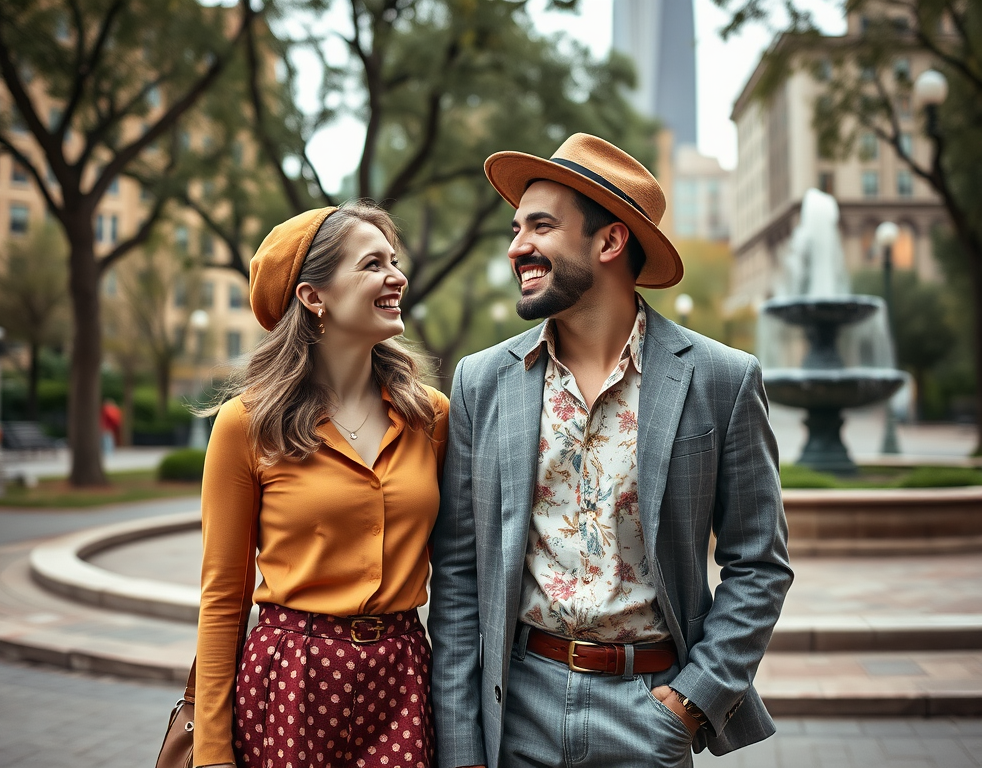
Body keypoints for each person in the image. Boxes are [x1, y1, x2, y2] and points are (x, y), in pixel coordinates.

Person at [428, 134, 793, 768]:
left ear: (609, 241)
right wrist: (462, 746)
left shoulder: (720, 380)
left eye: (541, 226)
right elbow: (459, 578)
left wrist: (688, 703)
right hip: (517, 705)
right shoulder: (481, 382)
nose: (518, 247)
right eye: (516, 228)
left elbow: (759, 564)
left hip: (648, 708)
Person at [192, 201, 448, 768]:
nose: (396, 276)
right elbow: (222, 598)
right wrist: (211, 750)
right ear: (314, 297)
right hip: (290, 682)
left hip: (402, 680)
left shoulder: (432, 417)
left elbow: (461, 570)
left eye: (394, 261)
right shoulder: (246, 424)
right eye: (371, 264)